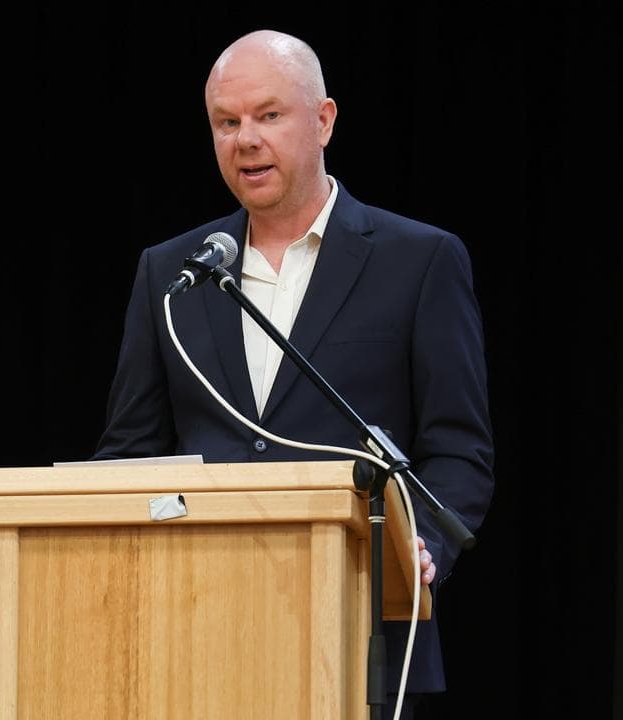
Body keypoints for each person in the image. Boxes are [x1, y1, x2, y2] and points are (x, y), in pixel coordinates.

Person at [93, 28, 494, 719]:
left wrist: (417, 549)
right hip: (193, 631)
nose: (245, 139)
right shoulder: (175, 272)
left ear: (324, 120)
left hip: (361, 632)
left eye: (268, 115)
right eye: (227, 122)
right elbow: (130, 453)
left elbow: (458, 449)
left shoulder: (419, 260)